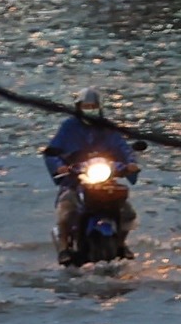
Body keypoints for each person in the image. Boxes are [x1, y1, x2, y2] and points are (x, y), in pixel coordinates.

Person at [41, 88, 139, 255]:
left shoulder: (108, 128)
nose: (89, 109)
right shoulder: (69, 127)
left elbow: (123, 148)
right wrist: (60, 166)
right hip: (75, 179)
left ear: (99, 107)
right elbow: (53, 151)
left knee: (128, 213)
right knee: (66, 210)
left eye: (93, 106)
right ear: (79, 107)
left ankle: (121, 243)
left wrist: (131, 164)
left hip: (106, 178)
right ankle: (64, 247)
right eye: (86, 106)